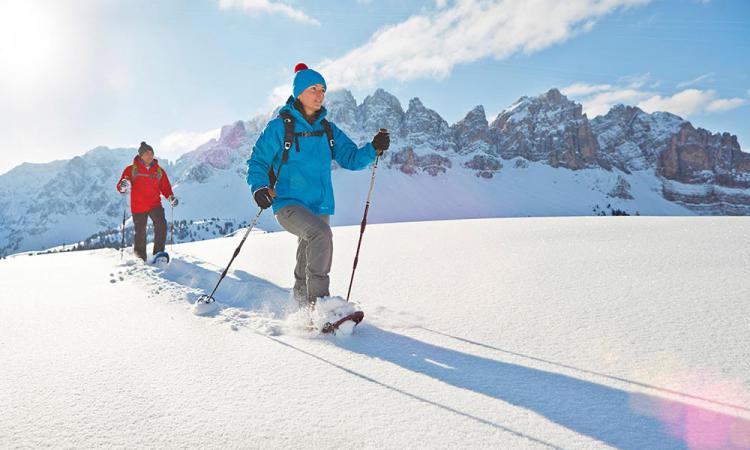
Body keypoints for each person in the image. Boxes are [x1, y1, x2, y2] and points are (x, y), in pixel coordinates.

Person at [246, 63, 390, 309]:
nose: (319, 94)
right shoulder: (280, 127)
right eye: (313, 88)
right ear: (299, 92)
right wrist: (259, 188)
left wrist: (373, 148)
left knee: (309, 248)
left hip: (320, 204)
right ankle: (321, 306)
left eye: (322, 89)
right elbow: (258, 160)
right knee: (320, 235)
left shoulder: (327, 129)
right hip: (288, 203)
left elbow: (351, 158)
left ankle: (301, 308)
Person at [116, 141, 178, 261]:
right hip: (138, 206)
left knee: (161, 225)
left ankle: (158, 254)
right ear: (141, 155)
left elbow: (165, 188)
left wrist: (170, 198)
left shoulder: (159, 171)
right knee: (140, 232)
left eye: (152, 153)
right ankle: (140, 257)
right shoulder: (131, 170)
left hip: (155, 204)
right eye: (147, 153)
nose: (150, 155)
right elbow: (121, 187)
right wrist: (123, 186)